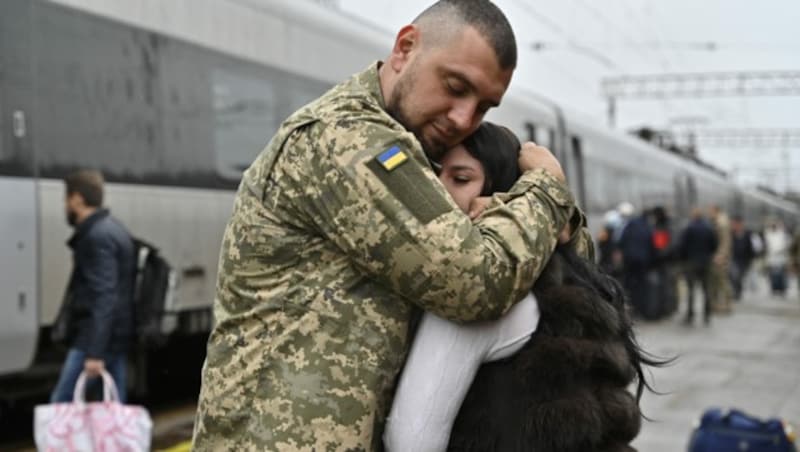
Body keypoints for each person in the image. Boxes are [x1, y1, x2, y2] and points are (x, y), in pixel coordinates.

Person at [192, 1, 592, 450]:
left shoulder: (418, 152)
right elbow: (474, 281)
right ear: (405, 49)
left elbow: (570, 270)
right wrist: (543, 189)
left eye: (483, 107)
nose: (464, 118)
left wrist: (535, 216)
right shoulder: (346, 139)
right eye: (455, 86)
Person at [385, 123, 662, 451]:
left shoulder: (472, 296)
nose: (437, 193)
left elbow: (412, 442)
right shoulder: (569, 279)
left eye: (460, 179)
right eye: (428, 177)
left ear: (503, 191)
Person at [50, 170, 135, 403]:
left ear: (77, 199)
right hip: (112, 334)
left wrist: (95, 352)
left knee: (62, 405)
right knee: (114, 403)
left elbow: (104, 295)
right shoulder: (113, 229)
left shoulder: (96, 237)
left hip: (93, 337)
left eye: (66, 200)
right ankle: (117, 441)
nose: (66, 206)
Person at [678, 208, 718, 326]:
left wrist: (683, 259)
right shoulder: (709, 228)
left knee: (691, 290)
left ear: (693, 216)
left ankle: (690, 315)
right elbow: (714, 245)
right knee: (706, 290)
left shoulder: (689, 228)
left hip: (691, 262)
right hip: (706, 263)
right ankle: (707, 315)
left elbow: (682, 246)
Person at [708, 205, 733, 313]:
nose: (709, 213)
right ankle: (715, 304)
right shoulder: (719, 222)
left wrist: (721, 255)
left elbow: (725, 242)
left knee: (722, 281)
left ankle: (726, 304)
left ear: (715, 211)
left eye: (710, 211)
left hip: (719, 258)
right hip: (717, 256)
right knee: (715, 282)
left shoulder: (722, 223)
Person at [730, 215, 756, 300]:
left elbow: (752, 246)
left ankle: (738, 291)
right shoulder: (731, 234)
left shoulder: (748, 233)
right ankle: (736, 292)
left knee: (739, 276)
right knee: (734, 275)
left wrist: (752, 257)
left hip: (745, 260)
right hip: (734, 258)